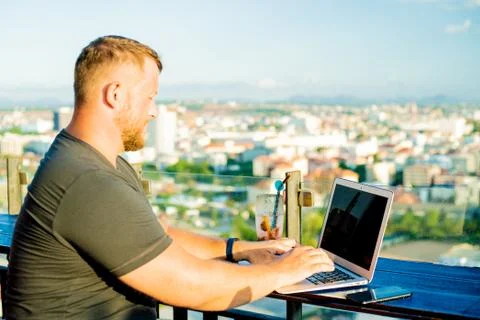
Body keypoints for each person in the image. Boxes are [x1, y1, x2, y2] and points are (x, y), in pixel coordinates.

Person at [5, 35, 333, 319]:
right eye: (150, 97)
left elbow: (161, 237)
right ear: (115, 95)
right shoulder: (88, 180)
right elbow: (196, 289)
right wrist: (284, 270)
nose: (154, 111)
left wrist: (242, 250)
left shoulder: (96, 163)